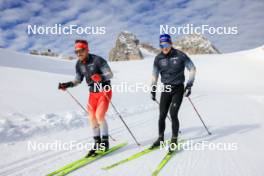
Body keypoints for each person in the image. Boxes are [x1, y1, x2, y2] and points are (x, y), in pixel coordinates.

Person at [58, 39, 113, 157]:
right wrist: (67, 84)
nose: (79, 54)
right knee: (92, 117)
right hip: (92, 93)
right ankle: (97, 143)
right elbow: (77, 80)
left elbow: (110, 74)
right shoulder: (78, 64)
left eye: (81, 50)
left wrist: (100, 77)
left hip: (104, 90)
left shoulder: (98, 60)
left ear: (87, 50)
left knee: (99, 115)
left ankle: (105, 143)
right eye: (76, 52)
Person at [150, 34, 196, 152]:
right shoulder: (158, 58)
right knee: (162, 115)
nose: (164, 47)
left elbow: (192, 68)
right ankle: (160, 138)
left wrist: (189, 85)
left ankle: (174, 140)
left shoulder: (180, 55)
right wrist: (153, 89)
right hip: (166, 89)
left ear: (170, 44)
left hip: (178, 88)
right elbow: (154, 74)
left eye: (166, 44)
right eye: (161, 45)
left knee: (173, 113)